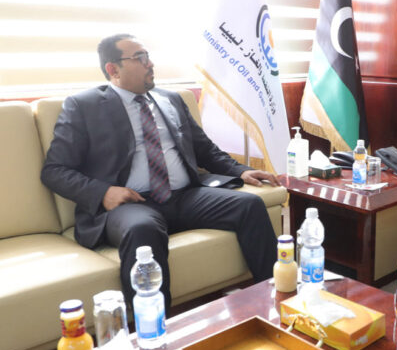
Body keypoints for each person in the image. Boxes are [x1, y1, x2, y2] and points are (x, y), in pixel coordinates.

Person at [41, 34, 280, 309]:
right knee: (142, 230)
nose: (150, 64)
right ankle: (157, 330)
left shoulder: (171, 99)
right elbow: (54, 170)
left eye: (148, 56)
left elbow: (205, 150)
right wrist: (104, 192)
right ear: (113, 69)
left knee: (250, 205)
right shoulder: (84, 105)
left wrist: (241, 171)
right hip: (131, 205)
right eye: (140, 58)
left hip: (185, 196)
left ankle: (278, 299)